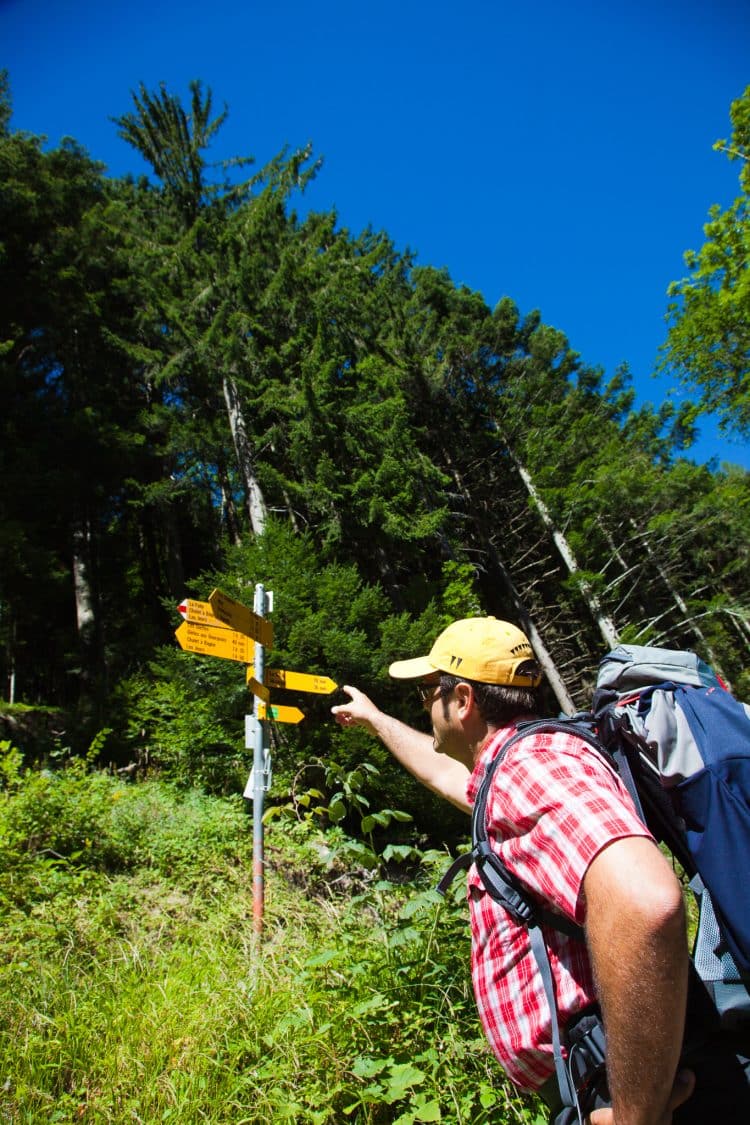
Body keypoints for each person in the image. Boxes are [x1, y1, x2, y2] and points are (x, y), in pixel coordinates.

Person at [331, 616, 711, 1125]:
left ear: (462, 700)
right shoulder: (513, 765)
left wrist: (634, 1118)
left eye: (427, 694)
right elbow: (447, 775)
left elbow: (647, 903)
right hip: (603, 1078)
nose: (424, 706)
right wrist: (376, 720)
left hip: (624, 1087)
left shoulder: (529, 767)